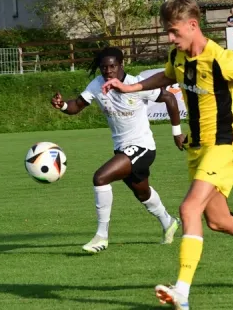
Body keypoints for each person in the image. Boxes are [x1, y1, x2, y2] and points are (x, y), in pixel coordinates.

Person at [102, 0, 233, 309]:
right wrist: (130, 87)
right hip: (197, 148)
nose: (170, 38)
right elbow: (168, 75)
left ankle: (182, 290)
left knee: (188, 209)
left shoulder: (221, 58)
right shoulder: (177, 56)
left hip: (224, 145)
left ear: (193, 26)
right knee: (218, 221)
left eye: (174, 32)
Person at [51, 47, 182, 253]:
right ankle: (168, 222)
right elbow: (77, 105)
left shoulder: (135, 84)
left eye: (112, 66)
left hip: (142, 147)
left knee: (100, 178)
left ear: (121, 65)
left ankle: (101, 236)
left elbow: (170, 98)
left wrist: (177, 133)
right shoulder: (97, 85)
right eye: (104, 67)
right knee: (143, 193)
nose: (108, 71)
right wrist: (62, 106)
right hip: (122, 150)